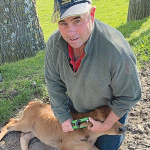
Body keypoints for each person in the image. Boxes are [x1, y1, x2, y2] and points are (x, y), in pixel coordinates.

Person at [44, 0, 141, 149]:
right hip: (77, 104)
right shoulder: (53, 45)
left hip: (108, 110)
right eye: (63, 23)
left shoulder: (116, 50)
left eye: (77, 20)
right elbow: (53, 84)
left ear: (92, 14)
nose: (71, 32)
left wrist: (106, 125)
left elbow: (129, 95)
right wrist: (63, 117)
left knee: (105, 147)